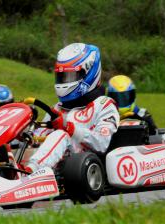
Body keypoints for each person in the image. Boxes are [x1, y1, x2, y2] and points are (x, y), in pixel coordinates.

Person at [25, 43, 120, 173]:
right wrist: (26, 136)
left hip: (80, 165)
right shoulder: (57, 108)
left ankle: (29, 173)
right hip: (51, 162)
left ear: (89, 73)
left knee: (59, 135)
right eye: (61, 77)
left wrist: (68, 127)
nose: (64, 81)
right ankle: (6, 172)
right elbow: (39, 137)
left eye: (70, 76)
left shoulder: (104, 104)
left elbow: (101, 143)